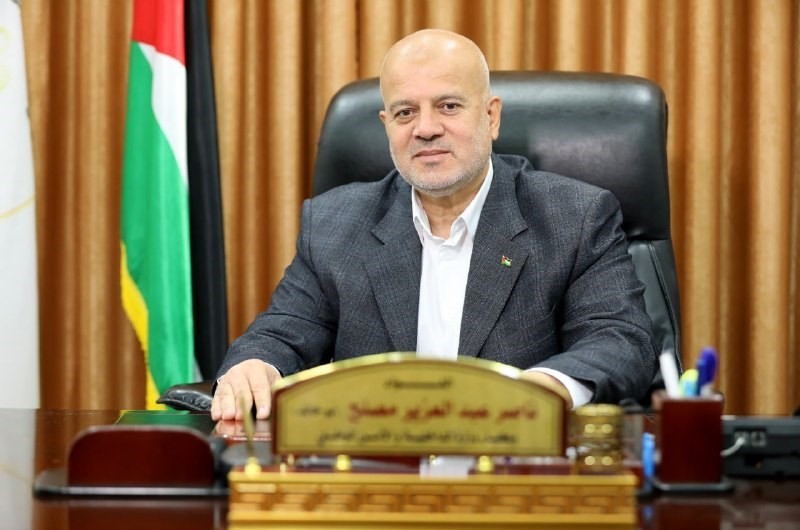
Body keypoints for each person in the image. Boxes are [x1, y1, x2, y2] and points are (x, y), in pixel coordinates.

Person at [210, 29, 657, 422]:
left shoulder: (574, 217)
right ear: (386, 125)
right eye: (405, 112)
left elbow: (620, 340)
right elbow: (281, 334)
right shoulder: (333, 224)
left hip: (515, 466)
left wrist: (544, 390)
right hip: (377, 469)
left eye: (448, 106)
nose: (425, 128)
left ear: (491, 116)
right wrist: (255, 366)